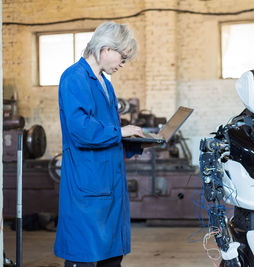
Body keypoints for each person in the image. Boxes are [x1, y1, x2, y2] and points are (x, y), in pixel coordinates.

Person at [54, 21, 148, 267]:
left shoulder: (105, 83)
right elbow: (81, 130)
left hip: (109, 183)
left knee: (111, 258)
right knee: (84, 256)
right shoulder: (74, 77)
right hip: (87, 187)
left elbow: (107, 133)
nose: (123, 64)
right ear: (105, 48)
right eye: (122, 57)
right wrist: (120, 131)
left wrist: (137, 142)